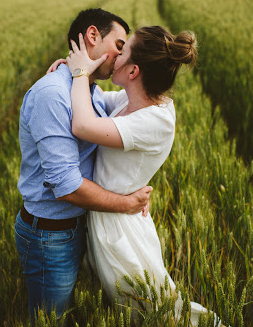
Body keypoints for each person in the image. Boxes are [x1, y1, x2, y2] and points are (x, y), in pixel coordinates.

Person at [49, 26, 223, 325]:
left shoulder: (155, 120)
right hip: (109, 216)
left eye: (123, 50)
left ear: (133, 71)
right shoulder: (134, 103)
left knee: (154, 313)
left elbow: (83, 126)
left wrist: (79, 75)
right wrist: (71, 71)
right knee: (130, 310)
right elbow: (96, 102)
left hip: (120, 231)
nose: (115, 54)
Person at [15, 8, 154, 321]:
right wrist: (127, 203)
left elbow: (130, 108)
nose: (121, 57)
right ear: (93, 36)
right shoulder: (53, 95)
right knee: (50, 319)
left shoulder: (89, 90)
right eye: (119, 46)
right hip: (50, 238)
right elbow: (66, 186)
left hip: (77, 228)